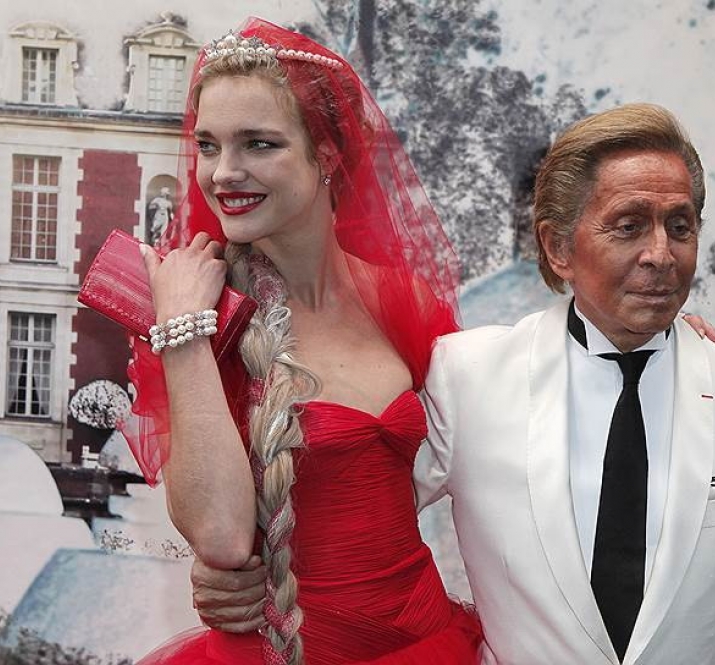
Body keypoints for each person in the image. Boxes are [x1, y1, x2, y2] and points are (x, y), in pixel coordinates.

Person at [193, 103, 715, 664]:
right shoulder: (466, 376)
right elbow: (349, 514)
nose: (661, 254)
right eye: (628, 226)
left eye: (680, 227)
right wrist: (240, 571)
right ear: (558, 247)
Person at [127, 17, 484, 664]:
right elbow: (221, 538)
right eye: (208, 145)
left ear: (328, 154)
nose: (223, 172)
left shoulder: (402, 299)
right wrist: (183, 332)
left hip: (428, 639)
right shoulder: (198, 310)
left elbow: (480, 449)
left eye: (258, 144)